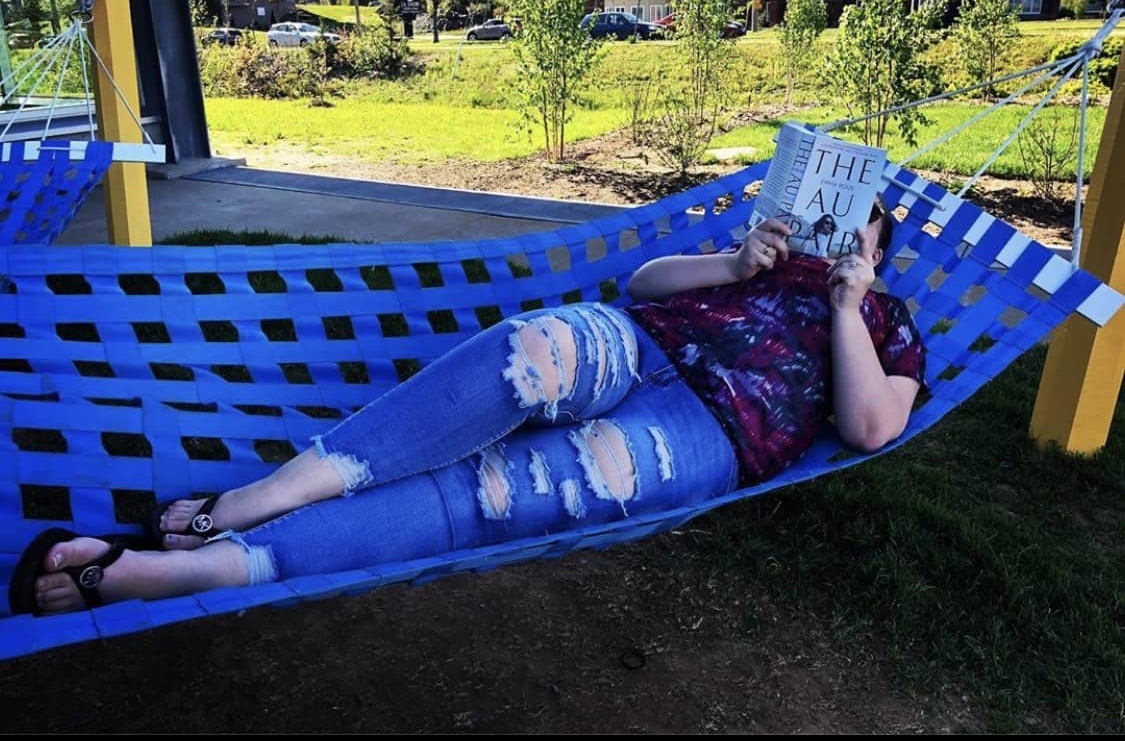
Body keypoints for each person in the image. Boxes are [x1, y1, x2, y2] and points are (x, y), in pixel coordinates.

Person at [10, 200, 925, 616]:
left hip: (706, 430)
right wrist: (733, 265)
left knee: (494, 492)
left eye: (859, 220)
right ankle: (271, 493)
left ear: (879, 243)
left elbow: (872, 426)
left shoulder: (889, 322)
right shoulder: (755, 254)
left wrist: (847, 307)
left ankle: (204, 571)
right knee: (528, 350)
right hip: (638, 342)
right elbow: (640, 284)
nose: (833, 228)